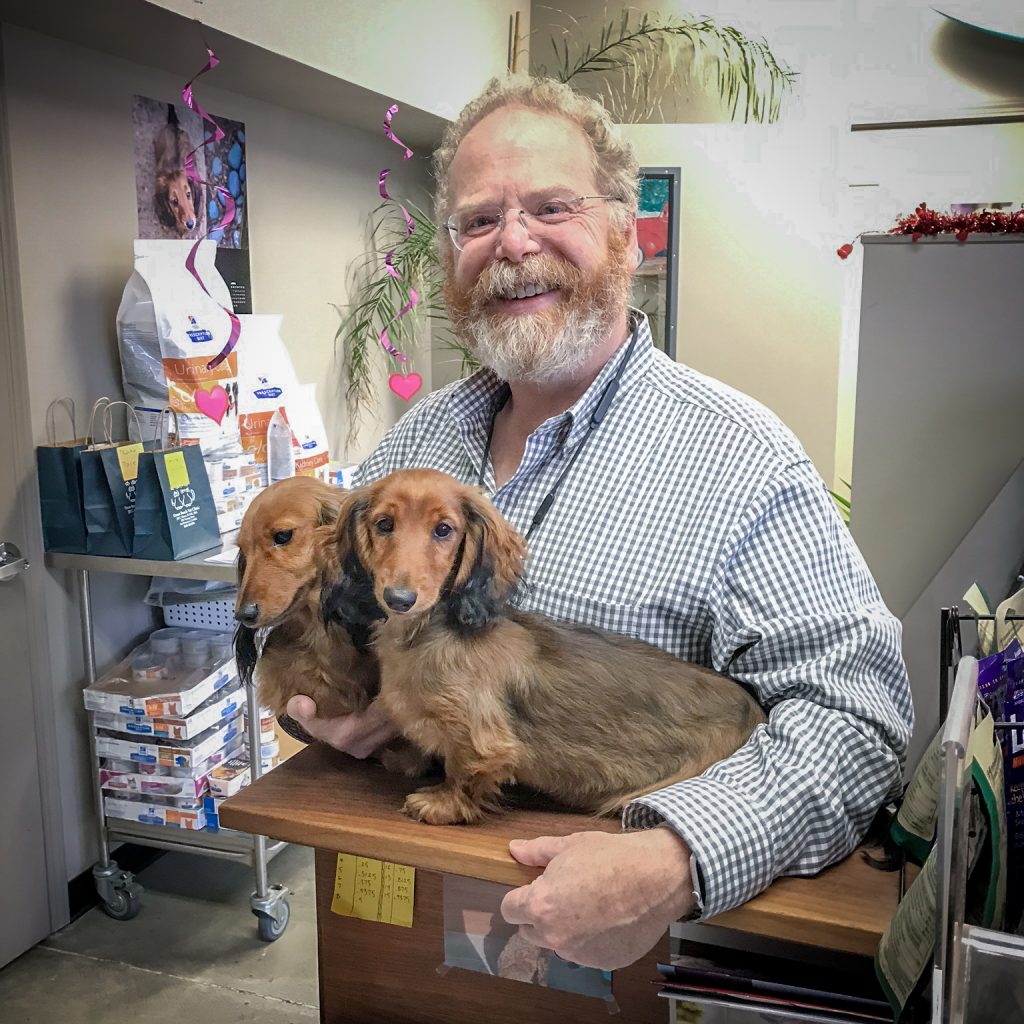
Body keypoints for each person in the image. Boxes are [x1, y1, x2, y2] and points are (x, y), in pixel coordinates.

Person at [282, 75, 913, 971]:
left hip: (642, 960)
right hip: (399, 918)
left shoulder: (740, 457)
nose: (512, 243)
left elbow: (860, 720)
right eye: (477, 220)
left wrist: (677, 858)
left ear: (627, 229)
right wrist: (326, 711)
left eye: (550, 205)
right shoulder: (417, 443)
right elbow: (342, 623)